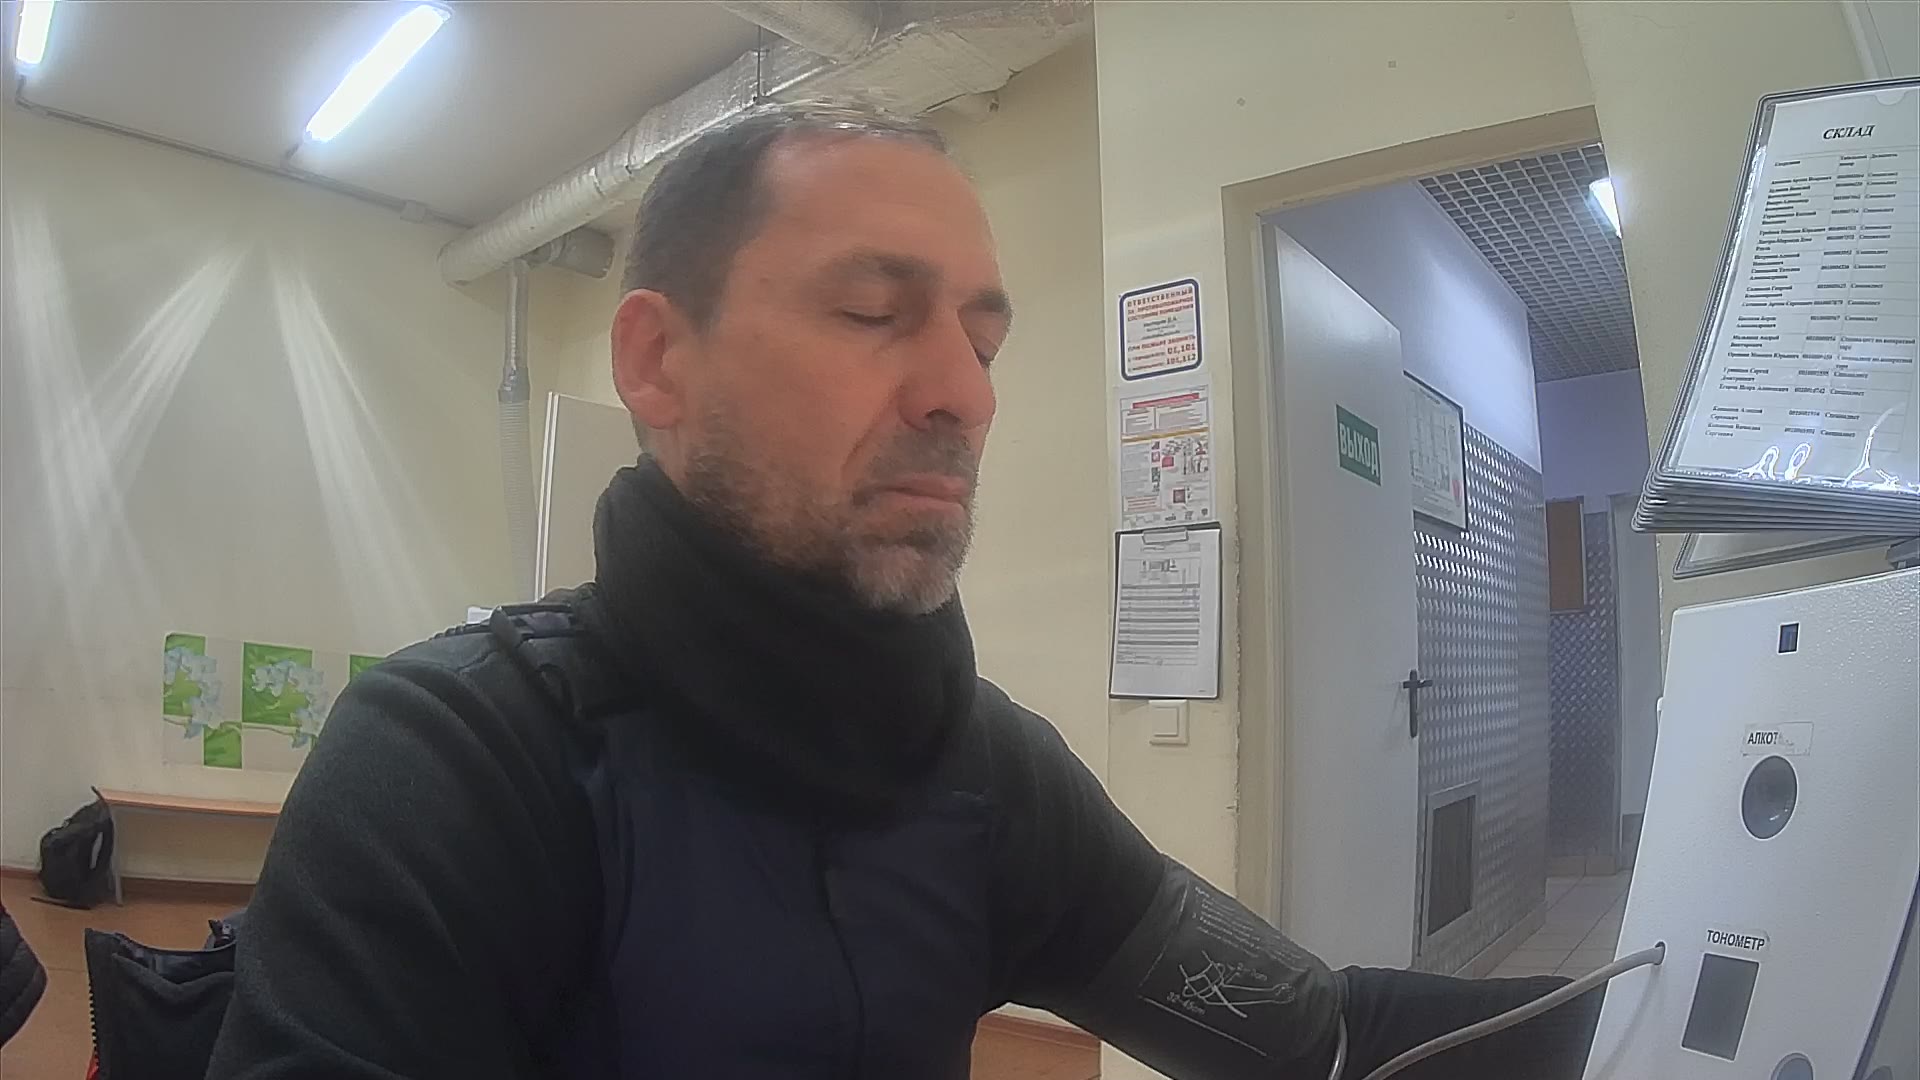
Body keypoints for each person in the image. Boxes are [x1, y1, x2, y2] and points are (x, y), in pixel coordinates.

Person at [208, 100, 1601, 1080]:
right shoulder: (452, 761)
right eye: (873, 315)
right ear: (657, 363)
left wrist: (1679, 999)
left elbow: (1317, 1040)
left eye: (982, 342)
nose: (963, 395)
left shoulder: (984, 769)